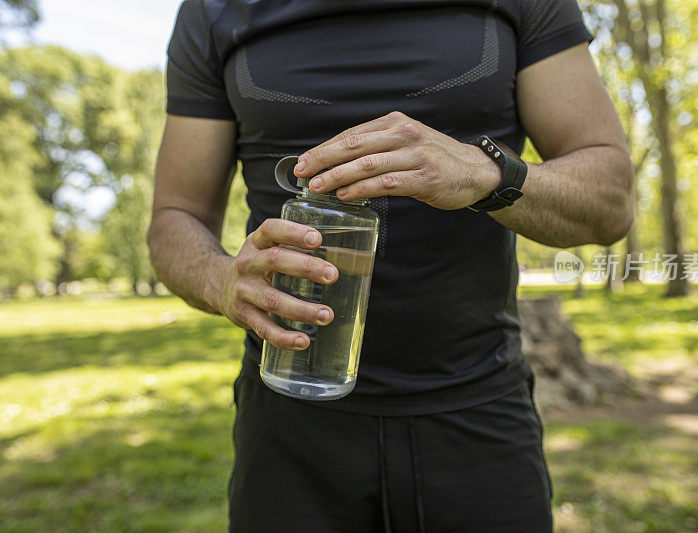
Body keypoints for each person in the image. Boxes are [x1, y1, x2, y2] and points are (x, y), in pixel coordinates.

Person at [148, 0, 634, 531]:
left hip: (478, 412)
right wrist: (222, 281)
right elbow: (176, 216)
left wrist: (486, 173)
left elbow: (609, 200)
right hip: (290, 420)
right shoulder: (212, 10)